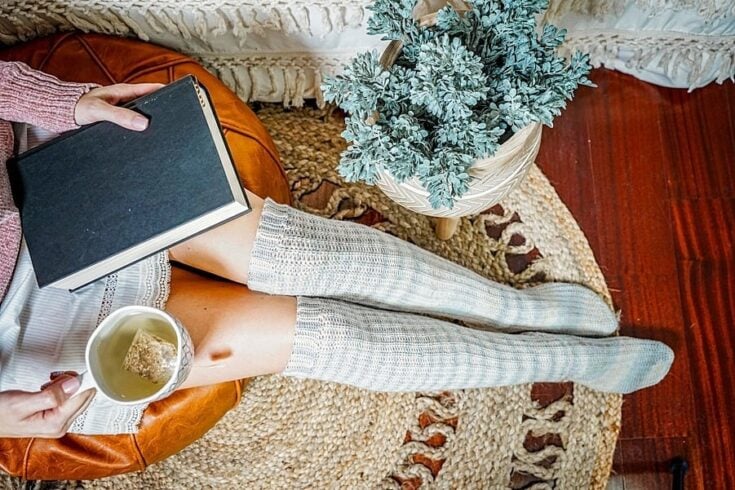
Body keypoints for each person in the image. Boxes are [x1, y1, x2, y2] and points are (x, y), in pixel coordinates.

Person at [0, 61, 674, 438]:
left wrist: (60, 103)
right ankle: (559, 357)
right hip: (17, 330)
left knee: (300, 254)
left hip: (47, 183)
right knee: (331, 337)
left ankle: (512, 307)